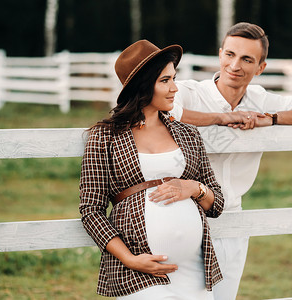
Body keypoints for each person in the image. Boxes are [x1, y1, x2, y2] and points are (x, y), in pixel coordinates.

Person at [169, 22, 292, 300]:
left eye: (247, 59)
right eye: (230, 55)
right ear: (220, 54)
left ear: (260, 67)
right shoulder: (190, 92)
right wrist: (220, 118)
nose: (235, 65)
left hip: (233, 218)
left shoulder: (260, 100)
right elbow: (165, 108)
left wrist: (271, 118)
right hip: (184, 216)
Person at [79, 40, 224, 299]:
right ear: (144, 86)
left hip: (193, 270)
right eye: (165, 80)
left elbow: (217, 204)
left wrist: (193, 188)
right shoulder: (106, 136)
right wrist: (130, 259)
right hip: (139, 270)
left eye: (174, 79)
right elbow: (91, 211)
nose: (174, 88)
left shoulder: (187, 133)